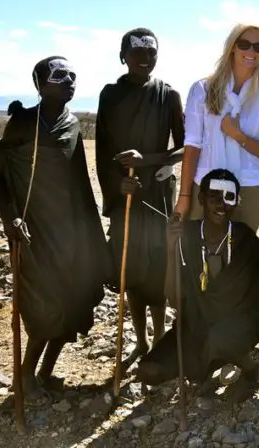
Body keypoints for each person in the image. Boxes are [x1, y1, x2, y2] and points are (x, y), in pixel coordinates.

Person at [0, 56, 110, 394]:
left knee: (76, 301)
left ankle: (45, 373)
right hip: (35, 235)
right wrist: (11, 218)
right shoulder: (24, 123)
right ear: (40, 83)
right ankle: (24, 375)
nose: (70, 80)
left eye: (73, 74)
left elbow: (81, 184)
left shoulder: (73, 124)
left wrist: (92, 236)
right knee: (45, 307)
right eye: (59, 75)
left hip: (71, 232)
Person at [96, 28, 185, 368]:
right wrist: (117, 184)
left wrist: (147, 160)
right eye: (137, 53)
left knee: (157, 265)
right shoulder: (109, 95)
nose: (144, 59)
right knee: (131, 267)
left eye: (151, 53)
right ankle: (141, 339)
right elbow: (103, 148)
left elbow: (182, 148)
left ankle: (160, 336)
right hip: (126, 196)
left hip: (159, 194)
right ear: (123, 56)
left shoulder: (168, 95)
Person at [137, 169, 259, 399]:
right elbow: (173, 299)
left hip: (233, 328)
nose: (221, 203)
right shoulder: (186, 235)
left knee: (218, 340)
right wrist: (171, 248)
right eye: (214, 195)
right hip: (192, 328)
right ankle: (202, 364)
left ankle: (248, 365)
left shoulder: (246, 241)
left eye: (229, 197)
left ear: (237, 202)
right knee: (149, 370)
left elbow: (247, 303)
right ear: (201, 199)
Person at [174, 23, 259, 231]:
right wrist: (185, 196)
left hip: (248, 188)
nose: (251, 52)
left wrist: (238, 135)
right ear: (232, 47)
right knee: (200, 254)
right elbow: (192, 146)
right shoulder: (202, 89)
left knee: (241, 254)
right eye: (244, 44)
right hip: (204, 185)